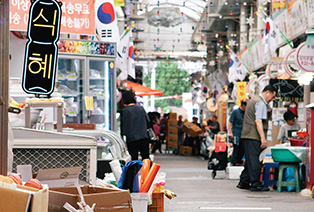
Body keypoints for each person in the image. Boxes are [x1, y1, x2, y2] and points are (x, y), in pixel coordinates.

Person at [237, 85, 277, 192]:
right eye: (272, 97)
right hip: (253, 136)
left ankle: (244, 181)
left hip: (247, 135)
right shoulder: (260, 103)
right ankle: (255, 184)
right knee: (255, 160)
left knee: (250, 160)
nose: (271, 100)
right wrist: (263, 138)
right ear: (268, 92)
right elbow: (258, 121)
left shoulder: (253, 100)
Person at [122, 90, 150, 161]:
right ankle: (147, 171)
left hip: (132, 138)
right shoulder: (141, 108)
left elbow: (124, 126)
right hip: (143, 137)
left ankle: (135, 172)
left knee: (134, 159)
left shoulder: (125, 111)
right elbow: (148, 121)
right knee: (145, 157)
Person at [228, 100, 247, 166]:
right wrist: (230, 132)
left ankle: (239, 162)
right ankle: (234, 163)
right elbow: (230, 122)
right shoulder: (235, 112)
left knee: (242, 149)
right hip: (236, 134)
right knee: (236, 149)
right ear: (243, 105)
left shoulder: (246, 113)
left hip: (244, 134)